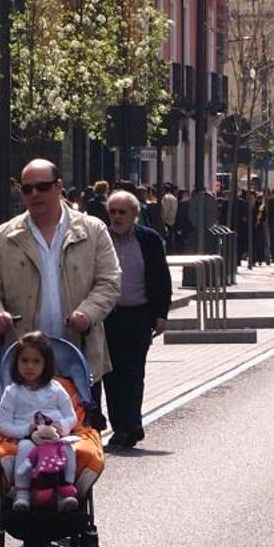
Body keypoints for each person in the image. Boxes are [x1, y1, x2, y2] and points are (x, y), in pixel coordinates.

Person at [0, 159, 122, 407]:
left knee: (79, 440)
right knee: (20, 442)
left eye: (42, 187)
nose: (34, 194)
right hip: (24, 364)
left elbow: (109, 281)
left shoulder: (92, 229)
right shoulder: (4, 237)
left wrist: (87, 314)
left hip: (78, 359)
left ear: (59, 187)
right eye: (27, 188)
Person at [99, 189, 171, 450]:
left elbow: (161, 277)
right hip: (107, 317)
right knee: (111, 374)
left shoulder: (149, 239)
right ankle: (121, 427)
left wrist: (161, 314)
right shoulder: (101, 238)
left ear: (134, 215)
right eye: (113, 212)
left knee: (133, 371)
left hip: (138, 315)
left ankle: (132, 423)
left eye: (122, 212)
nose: (117, 217)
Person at [0, 331, 81, 513]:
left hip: (55, 438)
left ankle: (65, 490)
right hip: (27, 437)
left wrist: (63, 427)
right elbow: (3, 425)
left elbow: (71, 416)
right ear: (16, 363)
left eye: (36, 362)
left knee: (68, 450)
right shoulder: (13, 392)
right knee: (26, 449)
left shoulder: (56, 389)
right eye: (24, 361)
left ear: (46, 364)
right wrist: (26, 431)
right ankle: (23, 492)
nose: (30, 366)